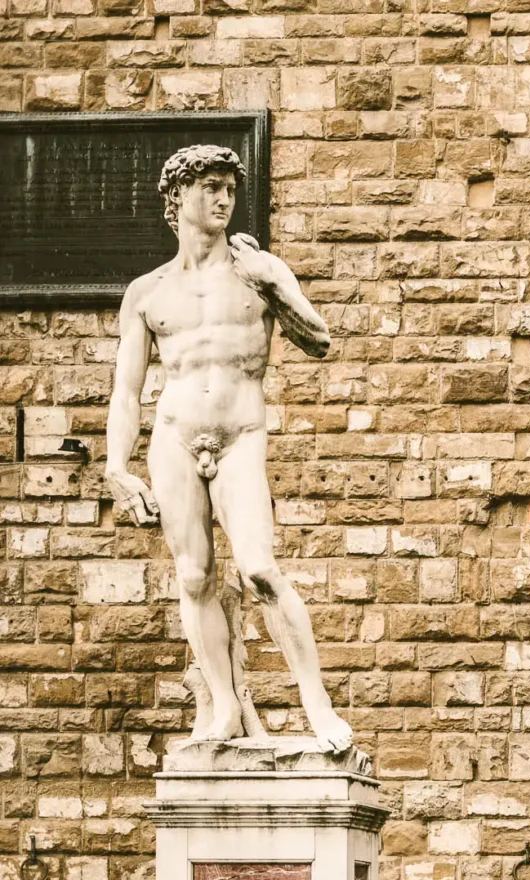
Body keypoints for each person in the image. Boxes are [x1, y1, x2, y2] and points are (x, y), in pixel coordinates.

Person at [104, 145, 351, 751]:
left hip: (240, 436)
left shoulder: (256, 271)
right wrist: (115, 467)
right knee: (194, 577)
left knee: (260, 569)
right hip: (173, 438)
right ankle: (224, 707)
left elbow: (319, 340)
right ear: (178, 196)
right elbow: (126, 391)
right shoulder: (147, 291)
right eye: (211, 187)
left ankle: (316, 705)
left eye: (230, 190)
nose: (223, 200)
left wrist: (277, 286)